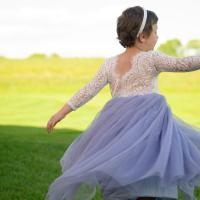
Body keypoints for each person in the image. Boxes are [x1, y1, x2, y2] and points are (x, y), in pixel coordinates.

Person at [45, 6, 200, 200]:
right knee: (148, 173)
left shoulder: (109, 63)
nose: (158, 37)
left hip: (116, 126)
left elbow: (88, 90)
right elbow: (183, 64)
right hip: (148, 126)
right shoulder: (151, 58)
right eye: (156, 32)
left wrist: (62, 112)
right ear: (143, 36)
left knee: (124, 170)